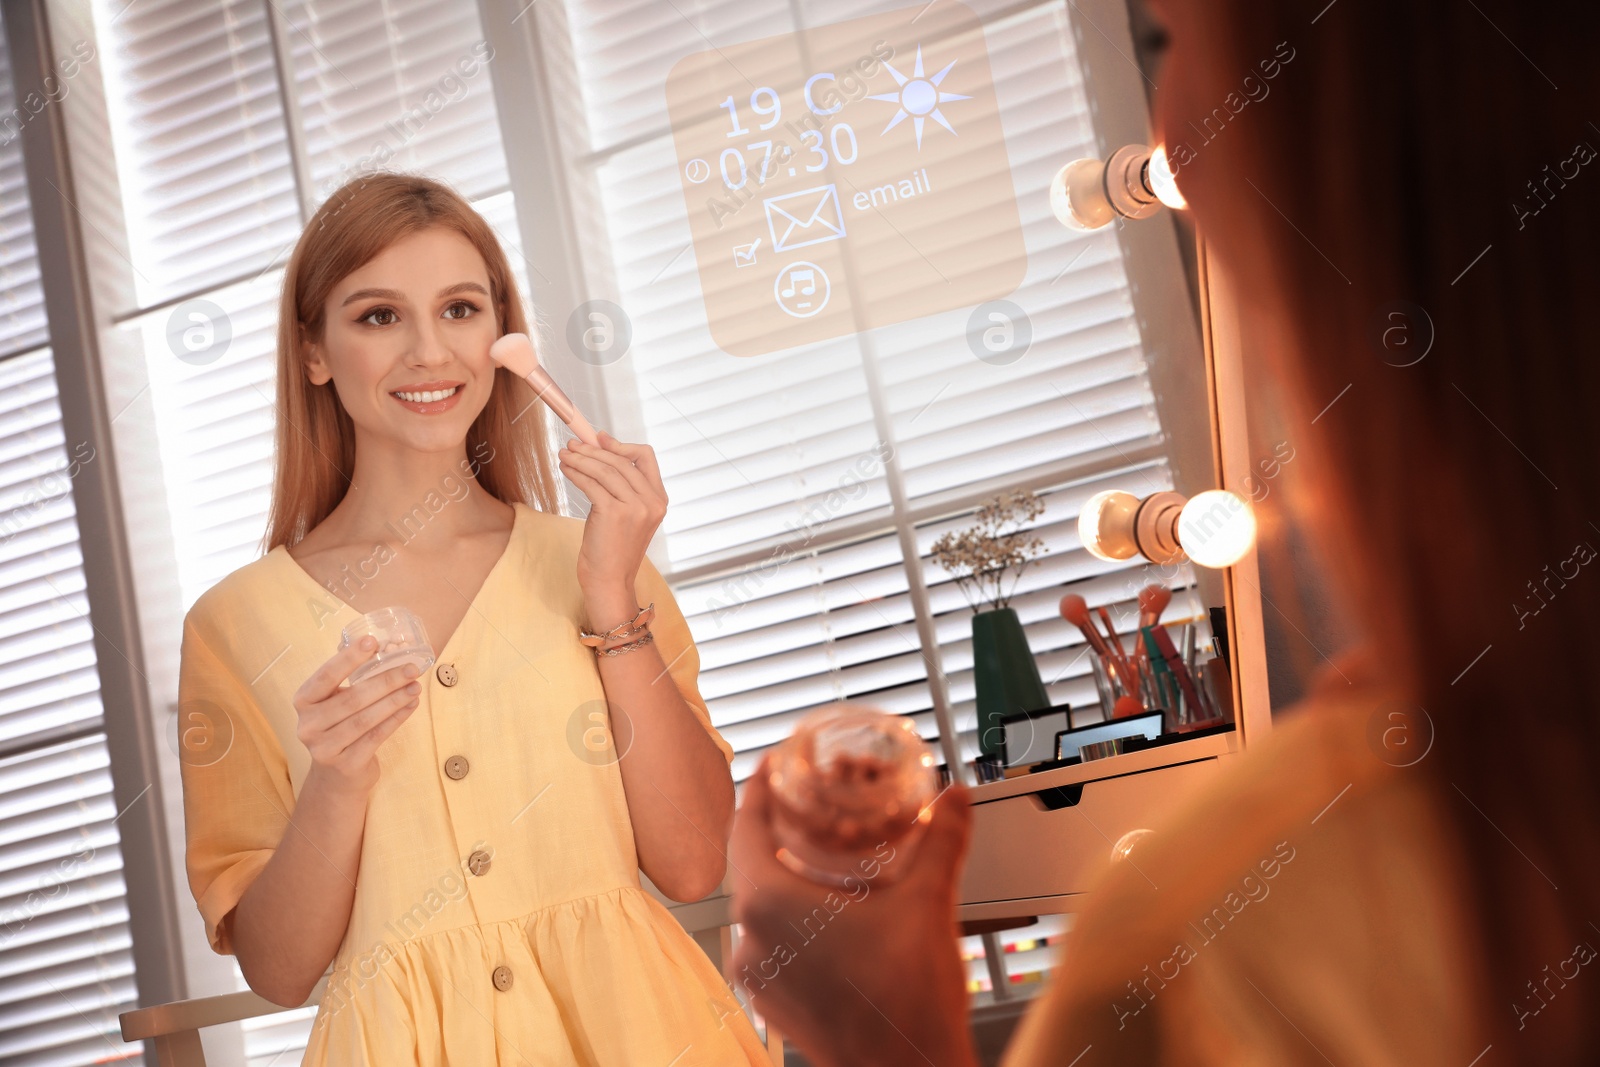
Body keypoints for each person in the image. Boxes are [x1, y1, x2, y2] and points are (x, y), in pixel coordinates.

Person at [727, 0, 1600, 1063]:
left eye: (1173, 40)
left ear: (1337, 129)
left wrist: (884, 1037)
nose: (1167, 134)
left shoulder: (1222, 936)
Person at [174, 172, 770, 1064]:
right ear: (314, 352)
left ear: (500, 334)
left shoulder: (601, 559)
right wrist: (336, 781)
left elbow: (692, 863)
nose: (430, 352)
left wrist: (613, 603)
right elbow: (279, 968)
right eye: (379, 316)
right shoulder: (232, 625)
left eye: (460, 310)